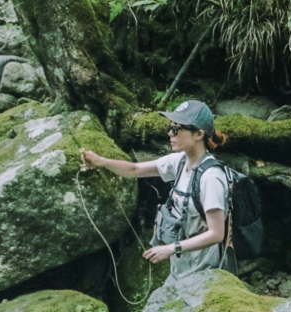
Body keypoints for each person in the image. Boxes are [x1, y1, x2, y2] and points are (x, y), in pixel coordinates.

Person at [81, 100, 228, 283]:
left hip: (204, 274)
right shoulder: (180, 161)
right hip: (179, 271)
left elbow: (216, 234)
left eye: (176, 129)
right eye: (170, 127)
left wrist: (170, 248)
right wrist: (100, 161)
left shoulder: (211, 178)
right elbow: (134, 170)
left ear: (198, 134)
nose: (169, 134)